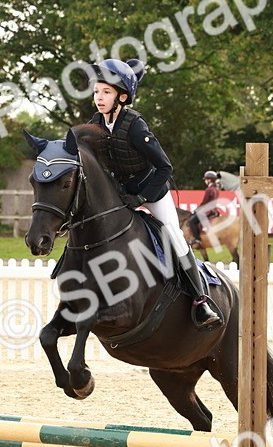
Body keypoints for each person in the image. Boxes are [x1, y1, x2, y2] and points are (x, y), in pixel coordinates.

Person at [87, 58, 222, 330]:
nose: (99, 97)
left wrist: (142, 198)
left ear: (122, 97)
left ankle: (201, 301)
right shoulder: (96, 122)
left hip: (152, 192)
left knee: (174, 235)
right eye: (96, 91)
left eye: (106, 92)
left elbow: (165, 167)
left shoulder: (135, 125)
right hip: (121, 193)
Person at [188, 170, 220, 249]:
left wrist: (195, 210)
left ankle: (197, 239)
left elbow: (204, 203)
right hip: (214, 210)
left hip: (207, 211)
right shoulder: (216, 188)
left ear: (209, 180)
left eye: (205, 179)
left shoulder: (209, 189)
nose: (205, 181)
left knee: (191, 221)